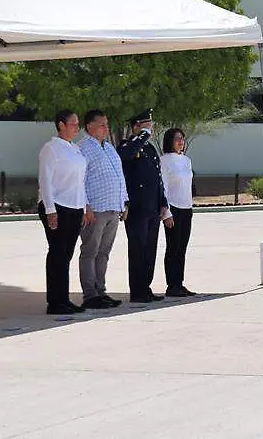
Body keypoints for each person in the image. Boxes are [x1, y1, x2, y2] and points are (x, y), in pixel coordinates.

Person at [37, 110, 90, 315]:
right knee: (58, 253)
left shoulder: (75, 149)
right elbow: (45, 180)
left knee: (66, 254)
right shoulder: (51, 148)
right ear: (61, 125)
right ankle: (55, 302)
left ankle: (64, 298)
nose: (77, 127)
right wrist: (50, 210)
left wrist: (84, 206)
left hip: (74, 207)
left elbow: (80, 181)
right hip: (57, 206)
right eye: (73, 124)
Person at [118, 109, 171, 303]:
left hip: (152, 207)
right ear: (136, 127)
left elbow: (158, 178)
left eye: (151, 126)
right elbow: (126, 155)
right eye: (146, 126)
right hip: (137, 207)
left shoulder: (149, 149)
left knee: (150, 249)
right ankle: (137, 290)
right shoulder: (128, 145)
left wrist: (163, 202)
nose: (150, 130)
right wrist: (142, 136)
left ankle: (146, 287)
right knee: (138, 249)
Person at [76, 110, 127, 309]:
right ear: (89, 127)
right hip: (95, 209)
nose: (106, 128)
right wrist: (86, 207)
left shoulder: (109, 148)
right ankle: (90, 295)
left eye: (107, 124)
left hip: (113, 208)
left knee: (104, 252)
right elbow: (79, 181)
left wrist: (124, 202)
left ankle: (101, 291)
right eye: (102, 125)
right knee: (90, 250)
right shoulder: (82, 149)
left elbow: (119, 176)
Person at [161, 127, 197, 296]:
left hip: (186, 208)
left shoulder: (187, 160)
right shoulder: (164, 160)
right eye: (176, 138)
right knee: (173, 247)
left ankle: (179, 283)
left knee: (182, 248)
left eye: (182, 138)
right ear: (169, 141)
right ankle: (172, 285)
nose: (180, 141)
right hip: (173, 208)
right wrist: (166, 212)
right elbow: (164, 187)